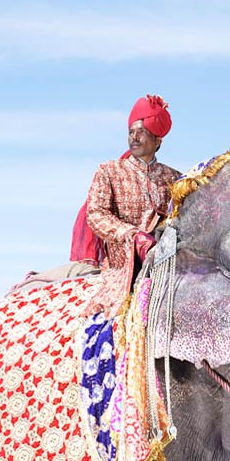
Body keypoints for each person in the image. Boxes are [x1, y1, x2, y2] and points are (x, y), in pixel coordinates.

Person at [70, 94, 180, 314]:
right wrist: (131, 234)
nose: (134, 137)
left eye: (142, 132)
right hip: (121, 266)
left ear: (158, 141)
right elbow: (96, 213)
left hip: (165, 262)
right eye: (131, 132)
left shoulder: (175, 179)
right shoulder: (110, 171)